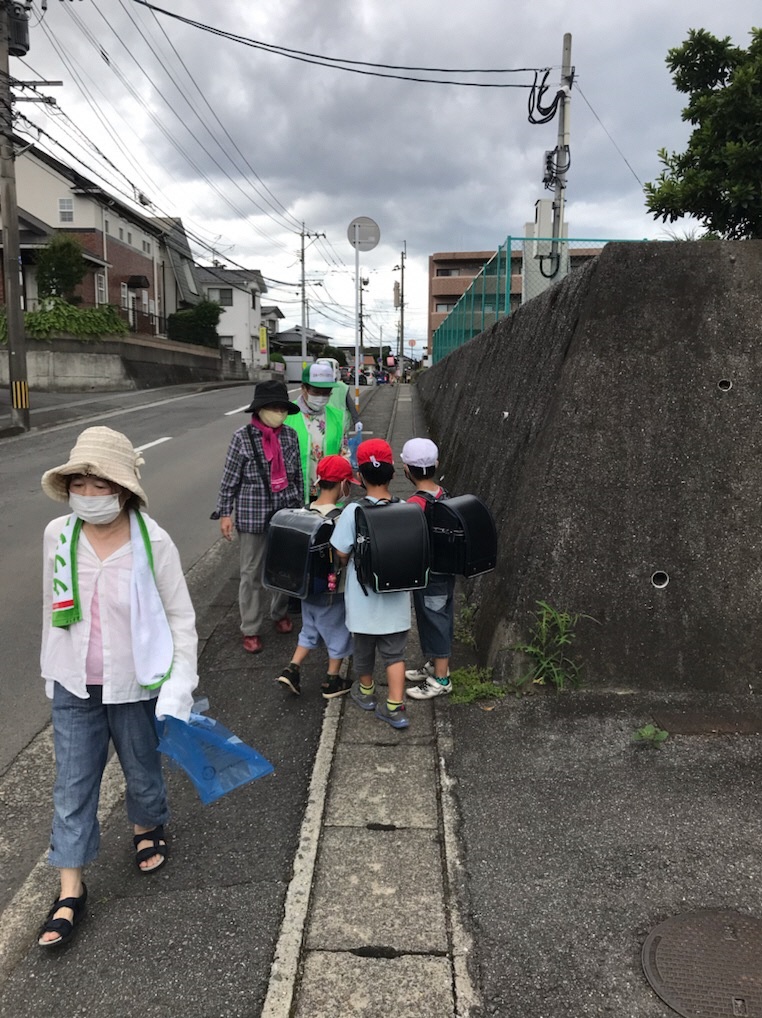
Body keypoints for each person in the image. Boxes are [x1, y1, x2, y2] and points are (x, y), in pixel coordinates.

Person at [37, 426, 199, 948]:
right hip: (74, 685)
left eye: (99, 485)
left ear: (123, 490)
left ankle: (147, 825)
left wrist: (179, 685)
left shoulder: (154, 542)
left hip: (135, 681)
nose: (87, 494)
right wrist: (51, 669)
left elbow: (180, 618)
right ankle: (70, 889)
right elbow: (51, 607)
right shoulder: (57, 536)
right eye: (78, 484)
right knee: (72, 785)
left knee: (141, 768)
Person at [212, 380, 304, 653]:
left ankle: (279, 613)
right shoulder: (242, 437)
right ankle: (250, 628)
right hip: (252, 514)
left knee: (284, 569)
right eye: (274, 407)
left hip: (285, 513)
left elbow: (296, 475)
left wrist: (300, 508)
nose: (279, 413)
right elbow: (230, 478)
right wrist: (225, 513)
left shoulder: (290, 436)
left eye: (282, 408)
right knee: (251, 572)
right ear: (260, 409)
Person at [330, 439, 412, 729]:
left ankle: (366, 693)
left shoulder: (353, 511)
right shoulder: (406, 509)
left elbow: (341, 552)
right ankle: (395, 706)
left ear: (360, 476)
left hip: (363, 599)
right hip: (397, 597)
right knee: (395, 654)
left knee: (363, 650)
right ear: (393, 473)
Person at [276, 455, 359, 700]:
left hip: (305, 588)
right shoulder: (339, 518)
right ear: (343, 484)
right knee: (338, 631)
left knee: (310, 628)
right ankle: (332, 680)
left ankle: (292, 668)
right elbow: (343, 555)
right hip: (332, 591)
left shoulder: (303, 512)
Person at [401, 438, 455, 699]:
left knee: (435, 620)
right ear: (436, 464)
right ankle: (434, 664)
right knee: (438, 615)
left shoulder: (414, 505)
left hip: (429, 574)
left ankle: (441, 679)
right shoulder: (445, 495)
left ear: (406, 470)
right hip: (446, 569)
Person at [285, 362, 349, 505]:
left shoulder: (338, 417)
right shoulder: (287, 416)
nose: (321, 396)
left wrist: (342, 485)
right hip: (295, 494)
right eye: (316, 391)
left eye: (326, 392)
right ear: (304, 388)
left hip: (329, 495)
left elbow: (344, 452)